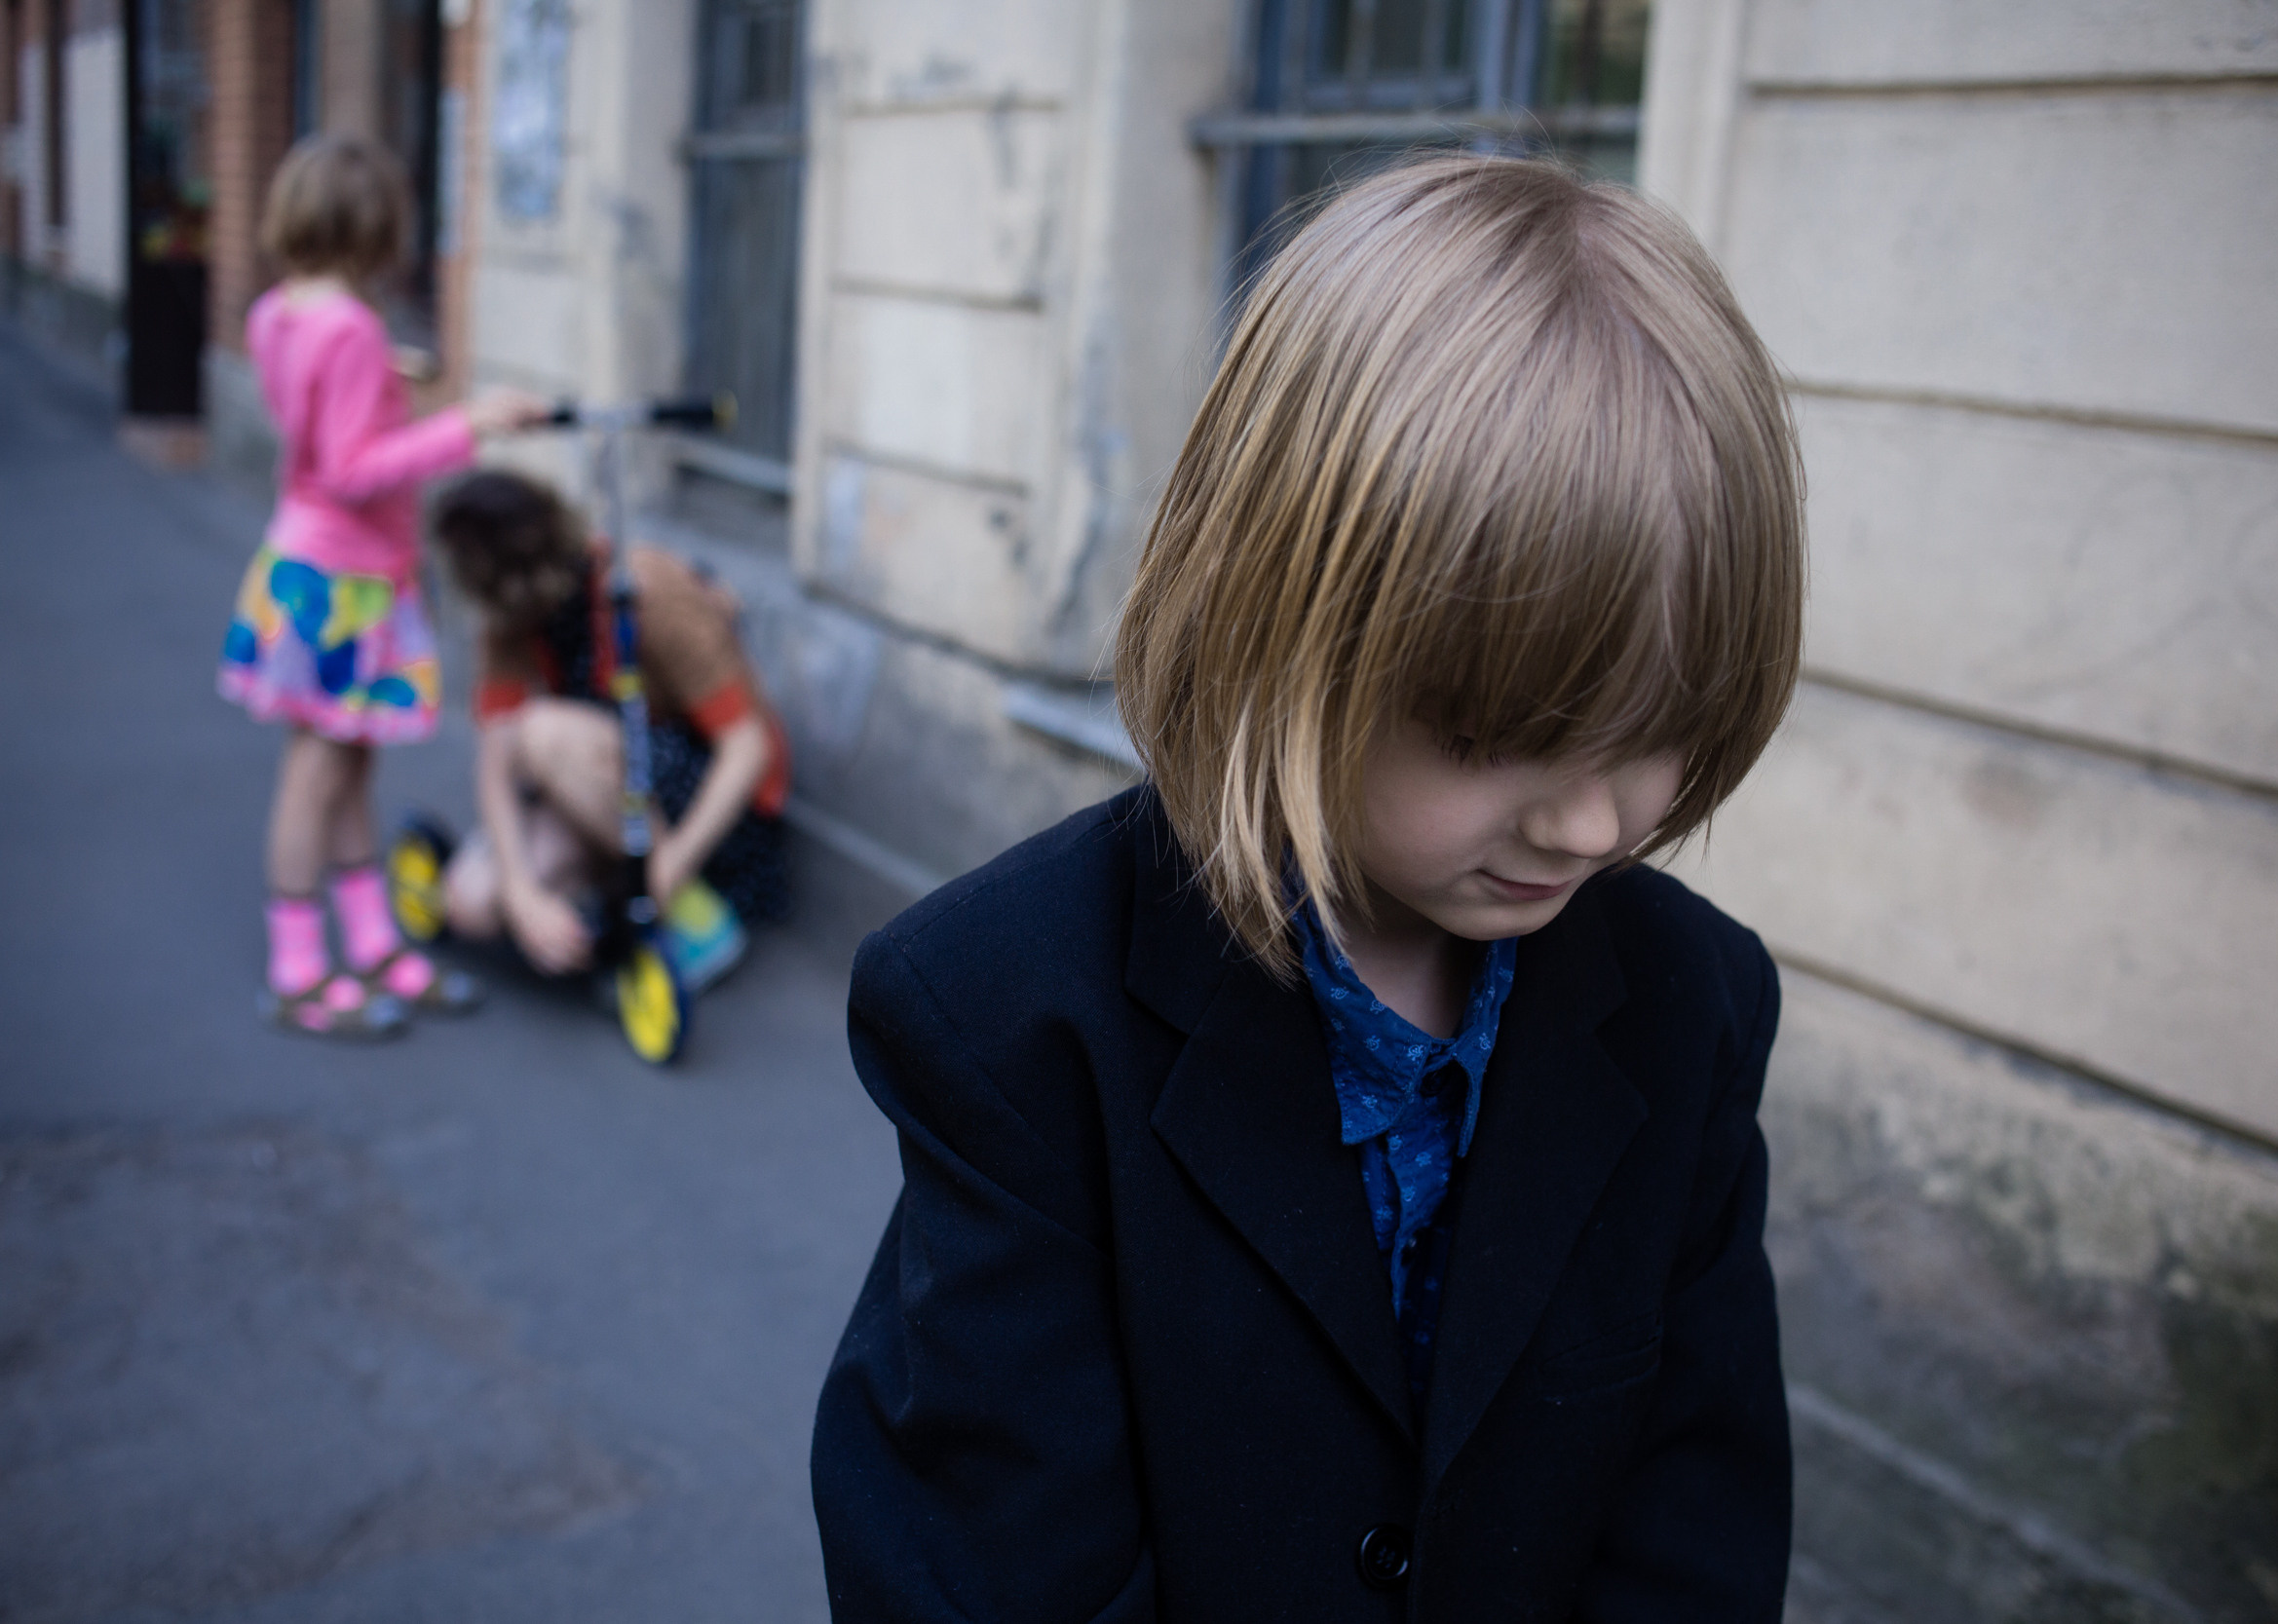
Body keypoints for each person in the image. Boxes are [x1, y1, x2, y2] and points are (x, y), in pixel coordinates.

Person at [812, 155, 1806, 1619]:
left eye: (1655, 732)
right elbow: (986, 1568)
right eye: (1495, 732)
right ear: (1283, 624)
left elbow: (1694, 1527)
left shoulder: (1692, 1006)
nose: (1594, 820)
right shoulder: (1009, 1017)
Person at [216, 134, 548, 1039]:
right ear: (374, 224)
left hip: (310, 570)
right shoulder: (352, 327)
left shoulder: (279, 312)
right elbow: (354, 469)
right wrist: (469, 422)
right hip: (345, 579)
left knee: (345, 764)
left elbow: (321, 439)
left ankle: (368, 945)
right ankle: (298, 970)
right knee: (320, 769)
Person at [425, 469, 791, 992]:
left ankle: (685, 910)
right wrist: (520, 891)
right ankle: (599, 911)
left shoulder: (644, 589)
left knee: (543, 734)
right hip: (611, 792)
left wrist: (669, 870)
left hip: (708, 798)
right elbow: (496, 756)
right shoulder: (509, 622)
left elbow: (747, 747)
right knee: (471, 901)